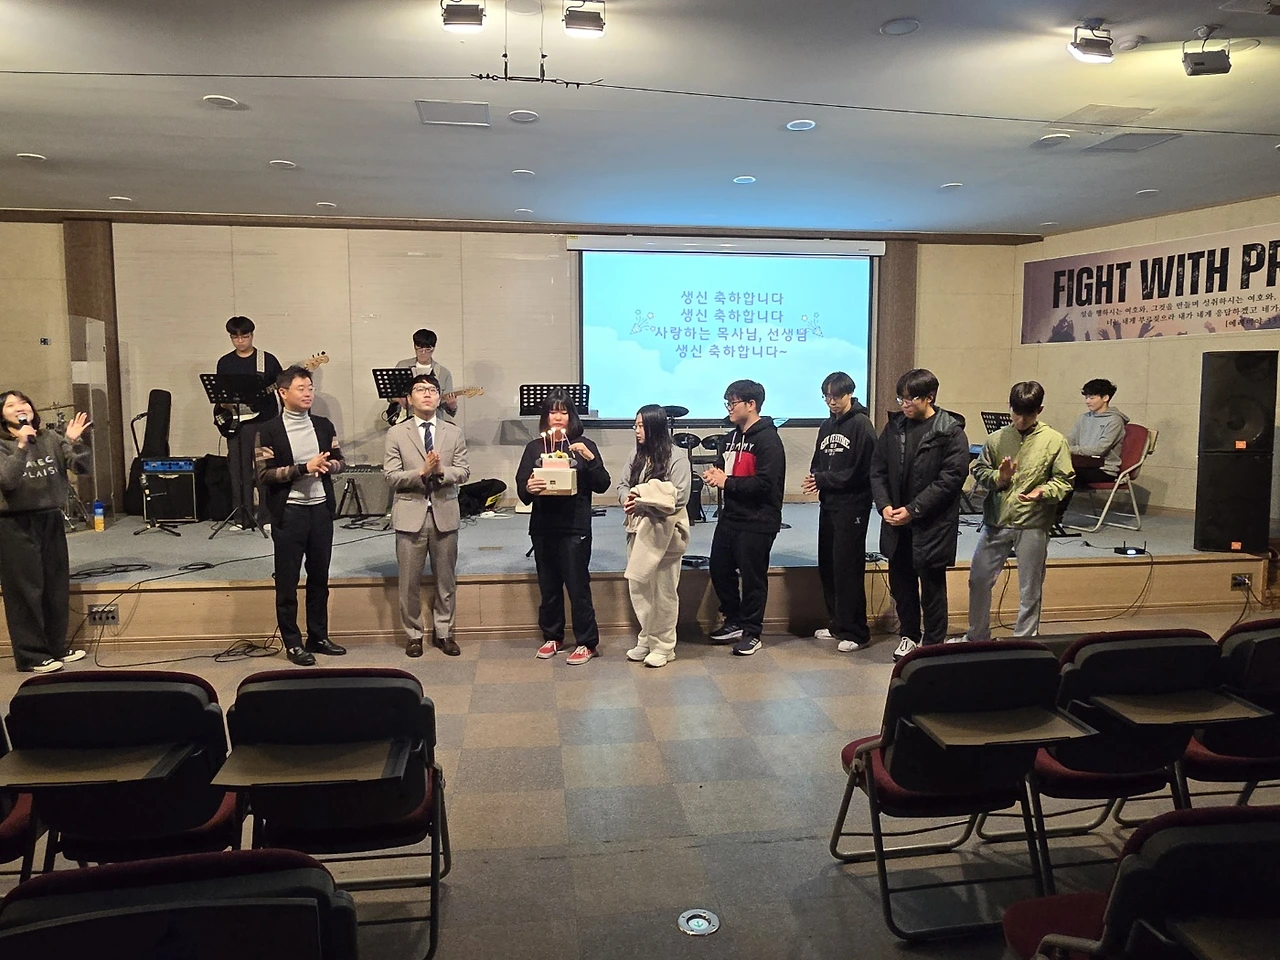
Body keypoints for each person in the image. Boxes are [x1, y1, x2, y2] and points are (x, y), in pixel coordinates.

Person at [869, 369, 970, 662]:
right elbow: (877, 470)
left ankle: (934, 643)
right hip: (896, 521)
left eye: (910, 398)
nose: (904, 404)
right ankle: (909, 636)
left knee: (932, 588)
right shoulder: (894, 427)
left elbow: (951, 479)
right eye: (901, 398)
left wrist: (914, 510)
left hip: (932, 524)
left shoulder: (950, 431)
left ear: (929, 397)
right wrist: (884, 505)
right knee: (902, 584)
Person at [966, 381, 1074, 641]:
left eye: (1028, 414)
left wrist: (1043, 492)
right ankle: (977, 637)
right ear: (1010, 407)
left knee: (1030, 588)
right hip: (997, 521)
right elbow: (979, 470)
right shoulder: (996, 438)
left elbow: (1065, 480)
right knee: (978, 579)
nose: (1021, 420)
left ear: (1040, 410)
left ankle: (1025, 640)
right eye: (1016, 413)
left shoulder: (1054, 441)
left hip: (1033, 522)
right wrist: (999, 477)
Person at [255, 365, 346, 666]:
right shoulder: (269, 430)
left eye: (310, 388)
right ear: (283, 393)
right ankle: (292, 643)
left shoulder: (323, 425)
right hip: (289, 512)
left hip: (320, 510)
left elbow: (340, 461)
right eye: (301, 388)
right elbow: (264, 474)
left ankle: (318, 636)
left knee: (319, 577)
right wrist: (303, 468)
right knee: (287, 581)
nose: (308, 393)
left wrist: (328, 466)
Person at [515, 390, 611, 665]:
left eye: (564, 411)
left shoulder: (584, 445)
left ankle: (586, 642)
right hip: (543, 526)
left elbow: (602, 484)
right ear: (546, 417)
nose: (558, 417)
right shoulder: (535, 447)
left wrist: (590, 459)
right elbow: (522, 488)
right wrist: (529, 487)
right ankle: (553, 636)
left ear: (572, 416)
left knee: (577, 586)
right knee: (549, 587)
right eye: (553, 411)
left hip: (574, 526)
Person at [0, 391, 91, 673]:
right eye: (11, 405)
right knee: (25, 590)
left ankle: (55, 647)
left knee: (55, 586)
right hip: (14, 523)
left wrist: (75, 441)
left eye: (24, 402)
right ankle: (31, 655)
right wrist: (21, 446)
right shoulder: (4, 445)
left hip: (49, 518)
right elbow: (7, 481)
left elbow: (82, 467)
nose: (20, 408)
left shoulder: (49, 438)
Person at [384, 373, 470, 658]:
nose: (427, 394)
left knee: (446, 580)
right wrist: (421, 472)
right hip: (411, 514)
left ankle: (444, 632)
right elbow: (391, 476)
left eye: (433, 390)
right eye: (420, 390)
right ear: (409, 399)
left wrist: (441, 471)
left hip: (445, 512)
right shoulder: (397, 433)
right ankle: (413, 635)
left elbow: (464, 471)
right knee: (409, 582)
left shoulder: (453, 432)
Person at [702, 379, 785, 656]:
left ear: (751, 404)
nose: (729, 407)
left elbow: (766, 484)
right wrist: (714, 474)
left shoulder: (768, 440)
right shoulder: (730, 438)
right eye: (727, 402)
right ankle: (733, 619)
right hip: (730, 517)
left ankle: (752, 632)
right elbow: (722, 468)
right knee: (719, 568)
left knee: (753, 578)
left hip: (758, 519)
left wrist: (728, 482)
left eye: (733, 402)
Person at [802, 372, 877, 653]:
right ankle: (837, 623)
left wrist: (825, 479)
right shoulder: (826, 425)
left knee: (848, 567)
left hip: (853, 506)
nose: (831, 402)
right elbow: (818, 461)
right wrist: (816, 477)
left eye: (836, 396)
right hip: (830, 504)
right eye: (827, 397)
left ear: (850, 394)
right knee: (829, 564)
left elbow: (861, 471)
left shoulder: (862, 425)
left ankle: (857, 631)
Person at [618, 404, 691, 668]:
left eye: (641, 425)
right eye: (635, 425)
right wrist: (628, 499)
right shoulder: (636, 455)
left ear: (654, 427)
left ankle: (664, 646)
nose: (637, 430)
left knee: (663, 591)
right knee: (639, 587)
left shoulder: (677, 457)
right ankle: (647, 638)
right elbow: (623, 485)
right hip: (636, 529)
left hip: (666, 532)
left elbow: (679, 496)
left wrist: (643, 502)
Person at [217, 316, 282, 530]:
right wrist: (227, 405)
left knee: (264, 469)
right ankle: (241, 517)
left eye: (244, 336)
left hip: (264, 421)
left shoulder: (267, 360)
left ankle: (267, 517)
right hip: (237, 422)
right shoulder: (225, 362)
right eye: (235, 337)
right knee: (238, 470)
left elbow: (281, 385)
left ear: (252, 335)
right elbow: (220, 393)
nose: (240, 341)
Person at [1058, 378, 1129, 525]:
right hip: (1084, 464)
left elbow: (1100, 449)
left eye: (1091, 397)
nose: (1087, 401)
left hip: (1105, 469)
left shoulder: (1114, 421)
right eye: (1086, 397)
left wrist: (1071, 450)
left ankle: (1054, 518)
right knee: (1050, 469)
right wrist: (1058, 446)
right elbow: (1070, 439)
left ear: (1105, 398)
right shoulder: (1083, 418)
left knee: (1067, 474)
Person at [394, 329, 457, 422]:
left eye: (428, 349)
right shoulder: (402, 366)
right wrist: (399, 399)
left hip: (433, 419)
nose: (423, 353)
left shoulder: (443, 373)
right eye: (420, 349)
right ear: (414, 346)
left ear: (433, 348)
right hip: (405, 418)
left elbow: (450, 410)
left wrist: (452, 406)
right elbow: (390, 395)